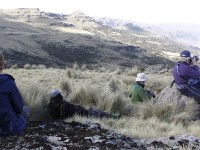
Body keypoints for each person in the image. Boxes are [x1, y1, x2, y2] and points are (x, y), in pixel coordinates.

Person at [0, 53, 29, 137]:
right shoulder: (7, 81)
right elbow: (19, 108)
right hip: (9, 129)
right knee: (25, 110)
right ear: (1, 65)